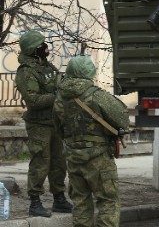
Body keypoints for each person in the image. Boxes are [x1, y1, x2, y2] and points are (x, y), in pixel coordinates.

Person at [52, 56, 129, 227]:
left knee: (80, 203)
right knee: (108, 202)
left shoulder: (59, 99)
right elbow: (123, 118)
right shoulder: (97, 96)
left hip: (73, 158)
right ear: (89, 74)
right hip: (99, 158)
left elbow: (58, 130)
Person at [14, 30, 73, 217]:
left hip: (55, 122)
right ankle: (35, 202)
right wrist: (57, 96)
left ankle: (59, 199)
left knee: (59, 162)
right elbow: (33, 100)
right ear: (33, 49)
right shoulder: (26, 72)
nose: (45, 48)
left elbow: (59, 84)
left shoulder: (48, 67)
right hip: (39, 124)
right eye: (41, 45)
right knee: (41, 162)